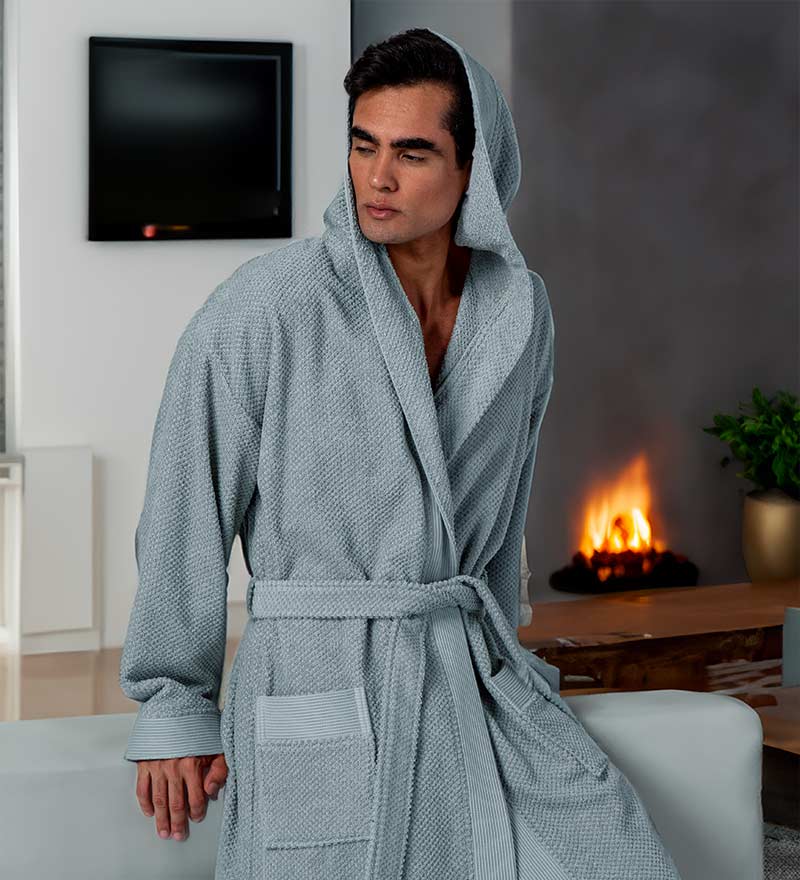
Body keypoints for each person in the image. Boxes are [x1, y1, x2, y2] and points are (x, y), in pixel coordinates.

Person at [120, 27, 683, 880]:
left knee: (617, 853)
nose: (377, 178)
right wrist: (174, 704)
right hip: (316, 672)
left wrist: (504, 646)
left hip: (463, 659)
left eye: (412, 153)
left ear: (475, 168)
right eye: (364, 145)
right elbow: (183, 509)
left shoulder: (519, 312)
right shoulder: (268, 306)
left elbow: (505, 517)